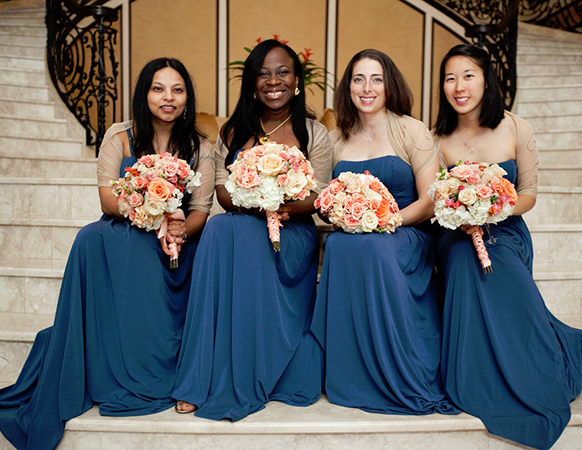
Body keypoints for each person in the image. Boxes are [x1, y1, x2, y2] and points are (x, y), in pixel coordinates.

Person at [0, 57, 215, 450]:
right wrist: (147, 214)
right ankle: (104, 357)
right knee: (91, 238)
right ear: (144, 94)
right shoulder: (120, 136)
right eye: (158, 88)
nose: (168, 97)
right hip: (126, 228)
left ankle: (156, 363)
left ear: (188, 97)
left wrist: (175, 230)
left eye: (177, 89)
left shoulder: (200, 146)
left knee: (156, 249)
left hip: (177, 244)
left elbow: (201, 211)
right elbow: (108, 199)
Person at [172, 39, 332, 420]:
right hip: (245, 222)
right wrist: (259, 201)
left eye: (282, 72)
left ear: (296, 81)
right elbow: (224, 191)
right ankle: (200, 377)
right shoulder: (233, 130)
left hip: (293, 233)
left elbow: (321, 195)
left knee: (235, 234)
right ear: (252, 83)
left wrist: (283, 205)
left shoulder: (314, 133)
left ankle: (244, 373)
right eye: (263, 73)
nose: (272, 80)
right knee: (218, 231)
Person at [433, 44, 582, 450]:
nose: (458, 86)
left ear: (487, 79)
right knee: (464, 257)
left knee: (499, 262)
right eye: (450, 77)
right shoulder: (438, 138)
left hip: (507, 230)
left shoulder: (517, 127)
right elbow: (436, 198)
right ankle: (478, 372)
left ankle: (533, 365)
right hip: (457, 236)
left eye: (468, 75)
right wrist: (461, 215)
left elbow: (529, 194)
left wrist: (493, 208)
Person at [310, 49, 457, 415]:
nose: (367, 88)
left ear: (389, 85)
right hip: (354, 236)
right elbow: (323, 198)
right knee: (341, 247)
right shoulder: (336, 138)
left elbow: (428, 200)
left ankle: (397, 367)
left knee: (373, 248)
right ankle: (350, 372)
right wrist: (344, 215)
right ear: (348, 88)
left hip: (406, 232)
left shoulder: (412, 129)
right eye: (358, 79)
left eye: (376, 79)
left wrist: (385, 222)